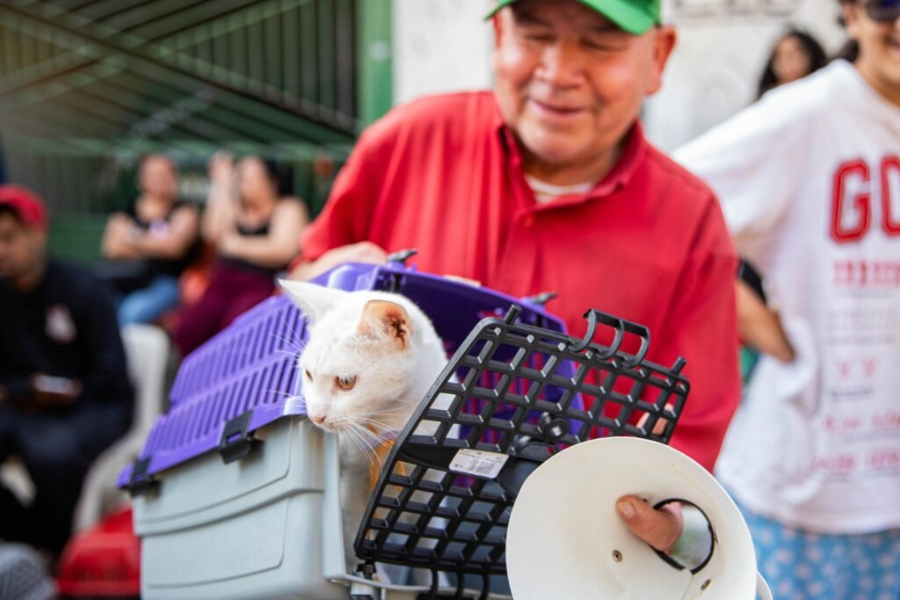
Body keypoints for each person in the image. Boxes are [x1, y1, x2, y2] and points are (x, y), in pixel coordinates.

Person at [291, 0, 741, 554]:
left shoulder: (690, 221)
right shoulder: (405, 143)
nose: (558, 71)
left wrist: (671, 519)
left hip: (574, 559)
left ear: (659, 56)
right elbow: (298, 304)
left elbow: (691, 447)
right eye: (533, 31)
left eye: (600, 41)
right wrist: (322, 284)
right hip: (371, 543)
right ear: (500, 33)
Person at [675, 0, 900, 597]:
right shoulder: (808, 114)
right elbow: (666, 208)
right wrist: (753, 318)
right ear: (850, 14)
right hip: (809, 490)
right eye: (886, 4)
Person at [0, 185, 133, 557]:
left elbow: (111, 374)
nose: (2, 250)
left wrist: (65, 392)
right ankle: (26, 534)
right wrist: (24, 389)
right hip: (25, 404)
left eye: (9, 238)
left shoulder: (83, 290)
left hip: (95, 405)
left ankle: (58, 550)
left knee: (50, 456)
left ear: (36, 234)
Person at [172, 155, 308, 356]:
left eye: (249, 178)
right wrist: (222, 185)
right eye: (240, 178)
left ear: (271, 182)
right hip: (222, 281)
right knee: (189, 329)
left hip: (260, 284)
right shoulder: (236, 207)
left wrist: (235, 245)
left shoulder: (288, 207)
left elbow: (283, 249)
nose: (243, 184)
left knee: (235, 335)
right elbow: (211, 233)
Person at [97, 154, 200, 325]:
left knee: (129, 314)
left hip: (164, 281)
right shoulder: (126, 208)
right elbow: (111, 248)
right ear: (141, 180)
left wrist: (131, 237)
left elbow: (173, 248)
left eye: (165, 174)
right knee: (100, 313)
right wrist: (155, 244)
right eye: (154, 174)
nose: (160, 179)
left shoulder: (185, 210)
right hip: (124, 277)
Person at [757, 28, 828, 99]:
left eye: (791, 54)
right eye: (779, 56)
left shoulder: (824, 88)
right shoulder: (770, 98)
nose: (785, 60)